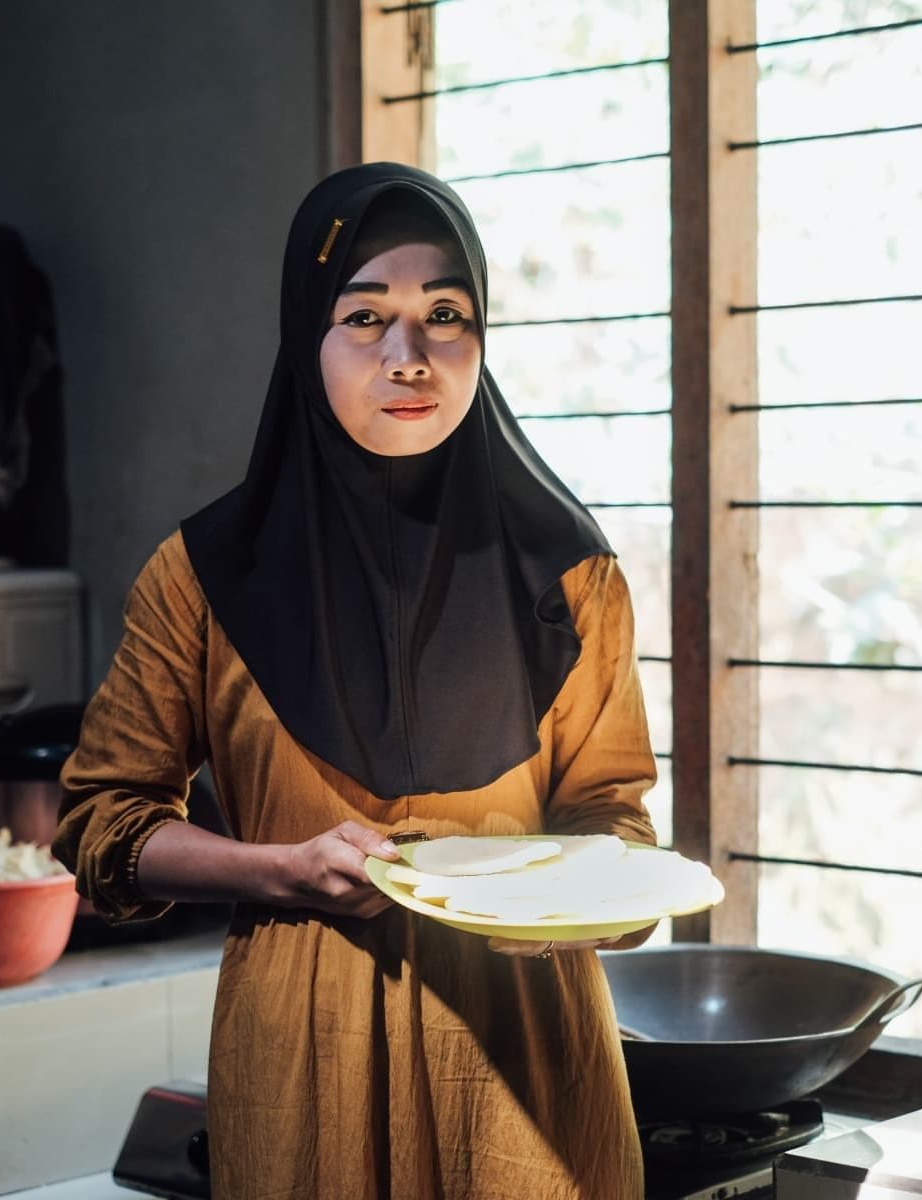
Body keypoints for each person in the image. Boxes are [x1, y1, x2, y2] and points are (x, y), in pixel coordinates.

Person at [54, 162, 658, 1198]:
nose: (409, 355)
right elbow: (102, 825)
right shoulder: (206, 575)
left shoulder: (569, 573)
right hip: (305, 1060)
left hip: (522, 1066)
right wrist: (279, 870)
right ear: (307, 336)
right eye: (365, 316)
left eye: (446, 314)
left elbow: (618, 827)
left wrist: (574, 906)